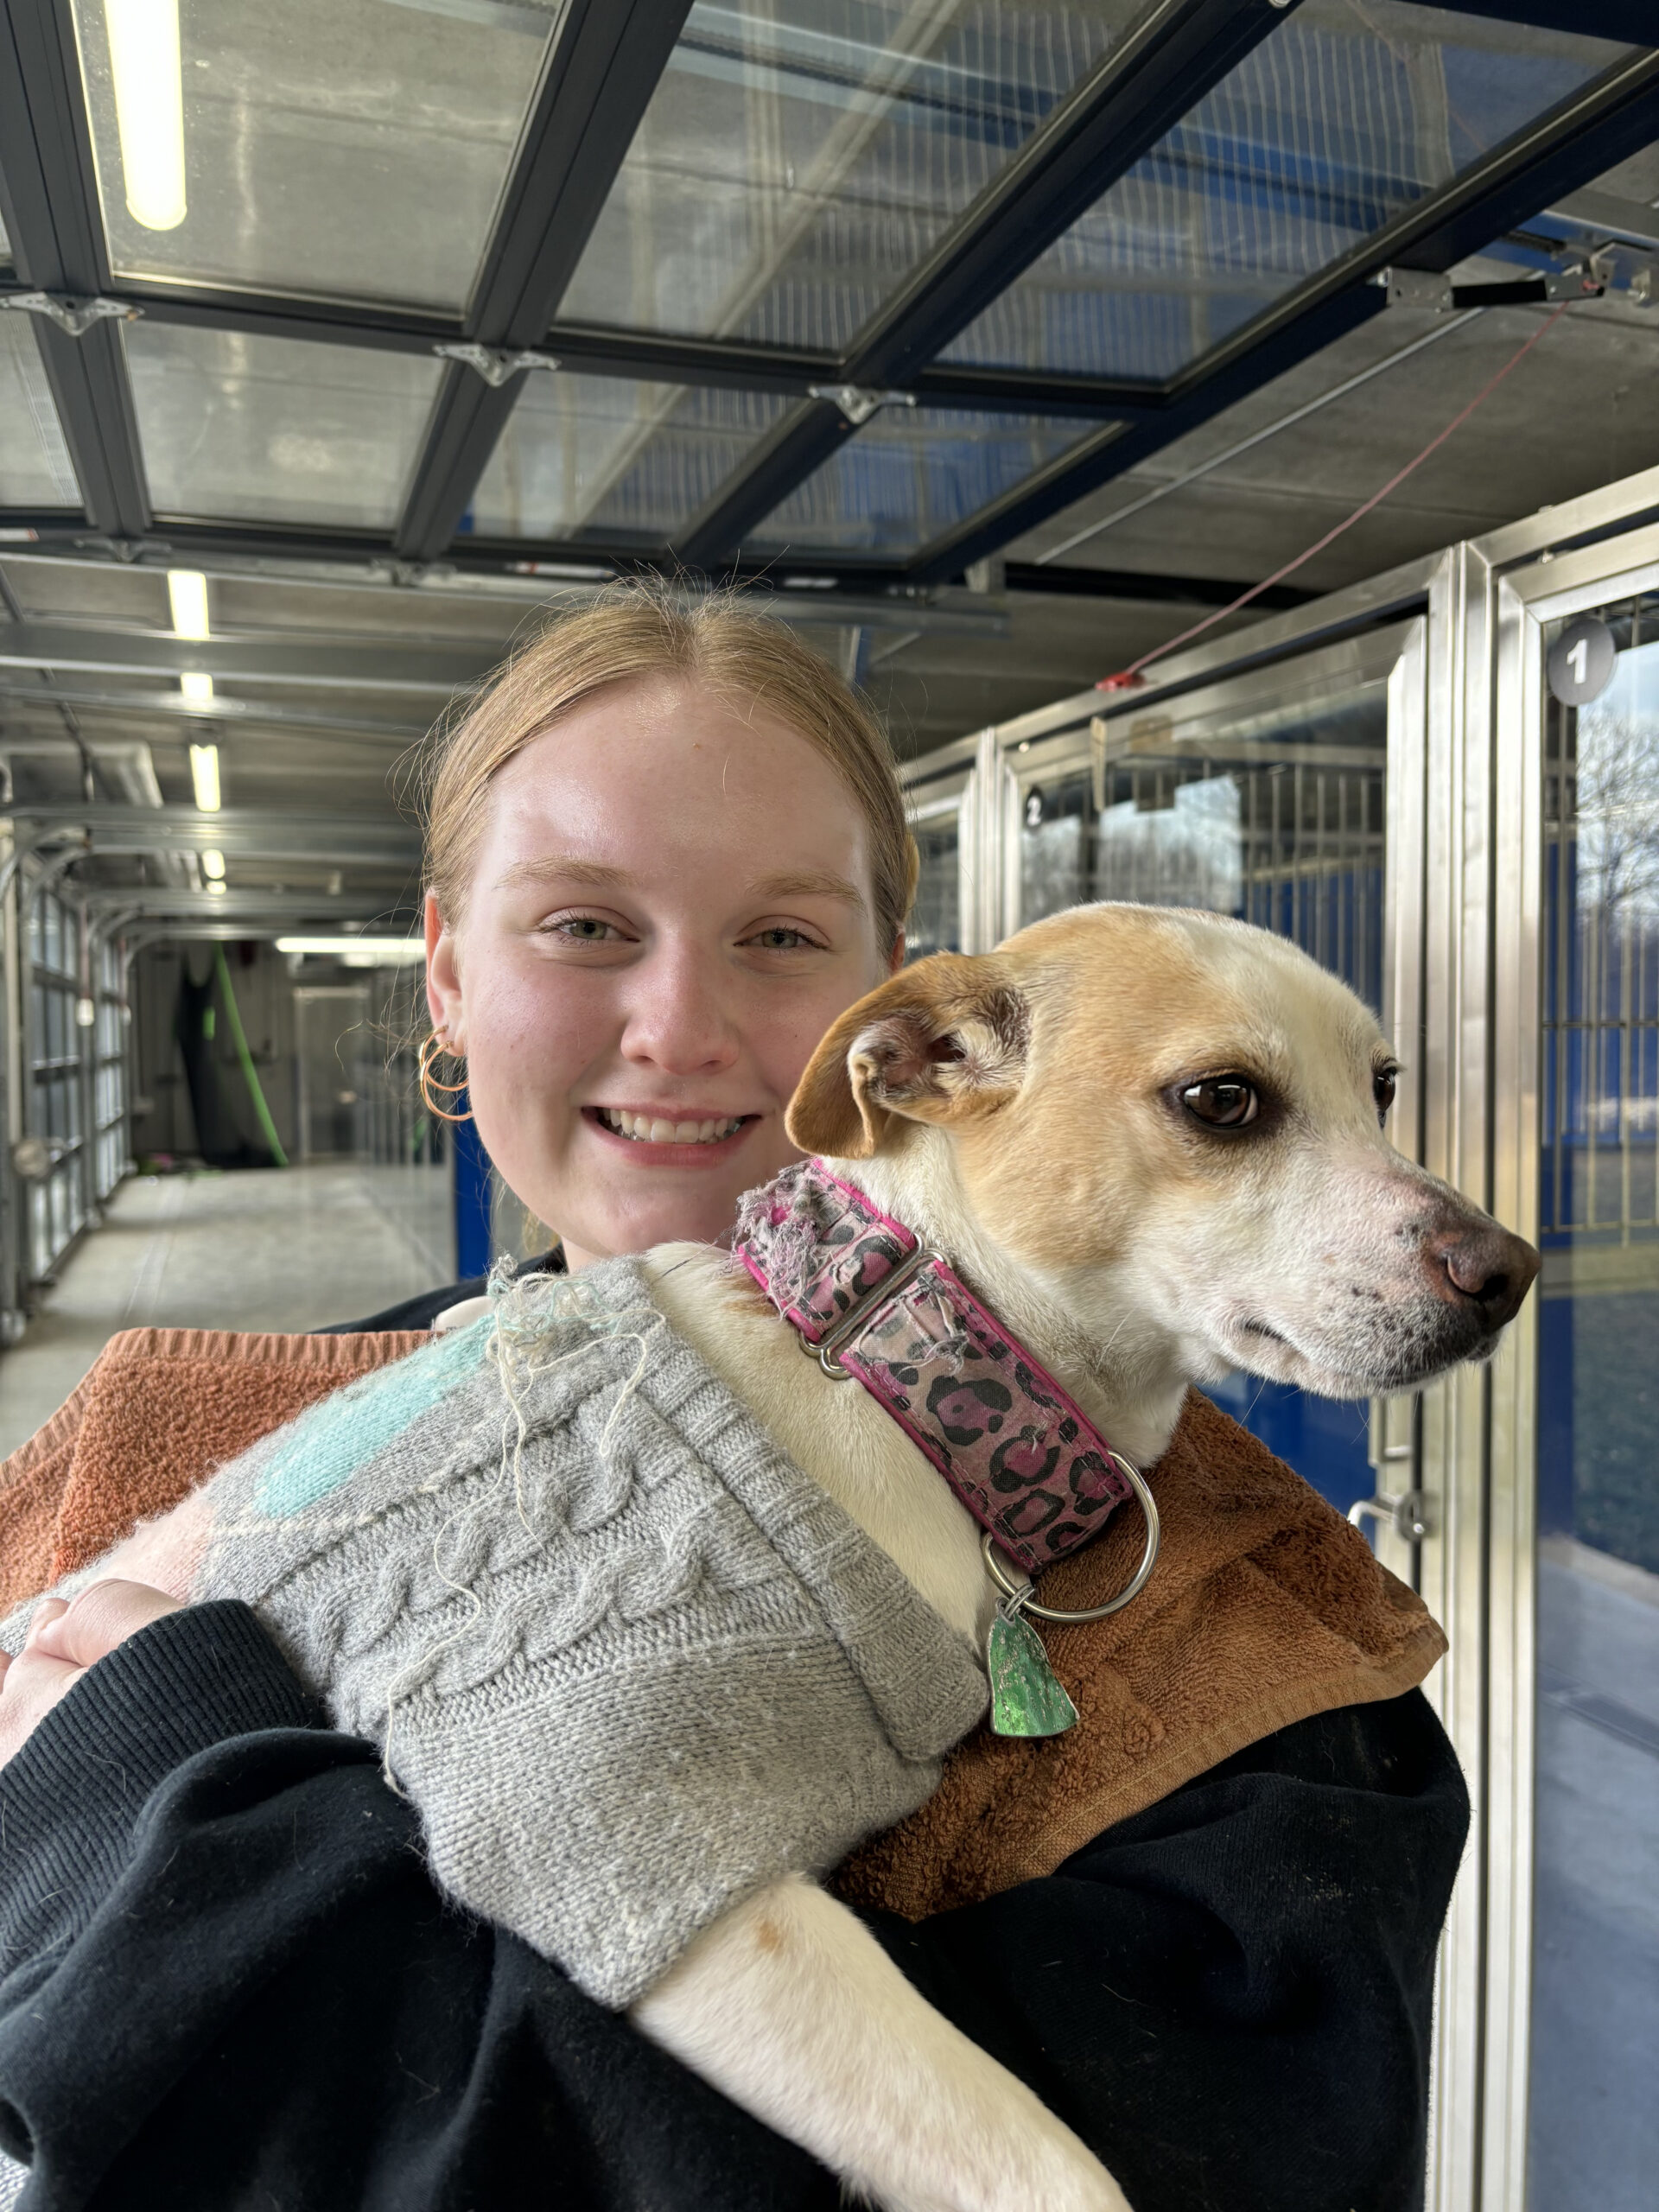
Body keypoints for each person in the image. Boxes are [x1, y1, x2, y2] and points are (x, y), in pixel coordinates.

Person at [0, 592, 1467, 2212]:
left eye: (780, 937)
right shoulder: (162, 1427)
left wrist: (140, 1787)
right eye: (581, 925)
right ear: (446, 980)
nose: (682, 1031)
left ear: (893, 1018)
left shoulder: (1282, 1689)